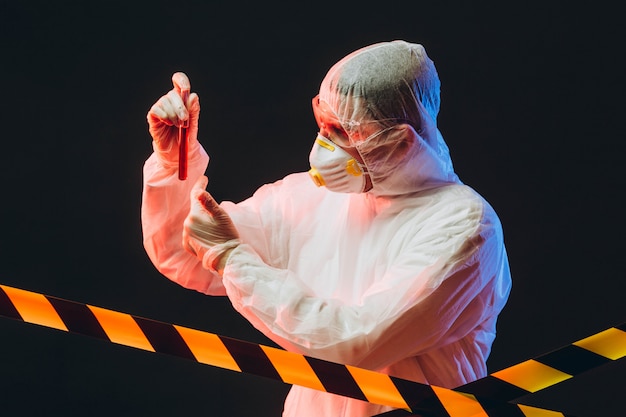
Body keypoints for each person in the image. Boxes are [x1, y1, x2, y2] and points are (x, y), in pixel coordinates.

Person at [141, 40, 512, 417]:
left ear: (400, 143)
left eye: (343, 131)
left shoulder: (463, 227)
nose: (323, 145)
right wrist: (174, 162)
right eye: (323, 124)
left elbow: (355, 345)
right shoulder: (307, 197)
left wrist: (234, 259)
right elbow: (180, 249)